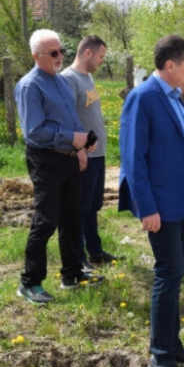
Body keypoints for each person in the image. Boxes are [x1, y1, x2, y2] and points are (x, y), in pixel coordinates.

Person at [119, 34, 184, 367]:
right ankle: (160, 355)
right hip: (160, 205)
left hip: (180, 200)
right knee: (167, 274)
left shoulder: (176, 95)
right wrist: (147, 208)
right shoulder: (143, 98)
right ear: (170, 65)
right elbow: (133, 159)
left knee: (176, 272)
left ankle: (173, 344)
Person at [14, 29, 104, 305]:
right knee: (46, 220)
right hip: (46, 159)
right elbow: (34, 131)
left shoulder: (61, 82)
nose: (59, 56)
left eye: (61, 50)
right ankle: (30, 282)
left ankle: (72, 274)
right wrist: (71, 138)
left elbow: (72, 119)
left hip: (69, 157)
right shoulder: (30, 86)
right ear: (36, 56)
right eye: (53, 53)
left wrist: (81, 146)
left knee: (72, 217)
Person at [61, 35, 119, 270]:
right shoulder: (69, 79)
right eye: (101, 56)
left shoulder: (88, 77)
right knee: (80, 208)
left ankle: (95, 252)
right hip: (83, 156)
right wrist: (79, 149)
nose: (102, 61)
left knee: (93, 206)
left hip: (98, 153)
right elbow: (66, 116)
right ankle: (79, 258)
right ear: (87, 53)